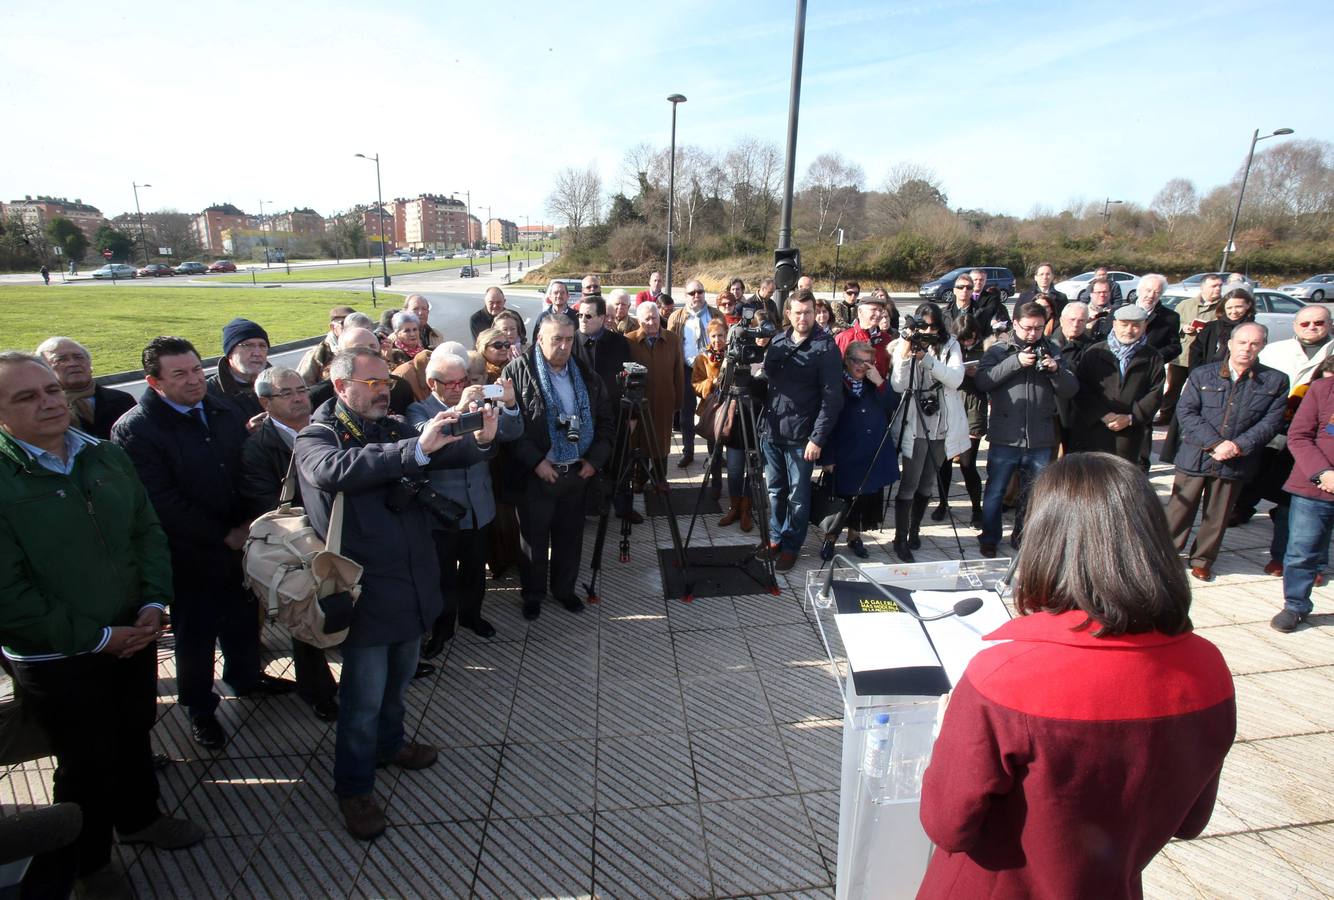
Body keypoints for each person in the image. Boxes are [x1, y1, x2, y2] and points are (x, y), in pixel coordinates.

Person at [918, 452, 1235, 900]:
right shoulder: (1208, 667)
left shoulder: (1006, 677)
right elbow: (1191, 820)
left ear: (1046, 541)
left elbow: (947, 824)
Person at [0, 351, 205, 896]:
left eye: (49, 390)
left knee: (135, 728)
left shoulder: (104, 455)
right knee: (85, 760)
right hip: (58, 654)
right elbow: (9, 593)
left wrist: (154, 603)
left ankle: (141, 819)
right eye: (26, 397)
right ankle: (88, 865)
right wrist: (96, 638)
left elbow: (147, 533)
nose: (48, 402)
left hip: (131, 632)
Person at [295, 347, 491, 839]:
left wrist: (478, 435)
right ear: (341, 388)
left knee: (400, 678)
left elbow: (447, 451)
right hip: (362, 587)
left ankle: (391, 744)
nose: (385, 390)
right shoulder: (317, 436)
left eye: (386, 381)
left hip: (411, 579)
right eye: (373, 383)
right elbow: (338, 470)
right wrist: (417, 449)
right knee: (361, 699)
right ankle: (354, 788)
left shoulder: (391, 424)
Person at [112, 336, 294, 752]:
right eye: (179, 374)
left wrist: (252, 522)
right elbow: (159, 501)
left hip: (245, 539)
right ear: (153, 381)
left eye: (196, 369)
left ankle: (246, 677)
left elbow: (250, 464)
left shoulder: (224, 407)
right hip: (191, 553)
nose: (194, 380)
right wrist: (222, 534)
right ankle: (200, 709)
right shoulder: (136, 429)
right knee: (195, 635)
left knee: (245, 615)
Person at [237, 366, 339, 722]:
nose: (299, 398)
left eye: (302, 389)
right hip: (298, 543)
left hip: (339, 531)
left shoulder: (327, 428)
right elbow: (267, 504)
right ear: (265, 402)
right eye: (287, 393)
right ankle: (318, 692)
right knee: (305, 617)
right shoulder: (257, 447)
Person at [501, 316, 614, 620]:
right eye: (556, 339)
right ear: (539, 339)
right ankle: (533, 594)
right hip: (537, 475)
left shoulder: (587, 374)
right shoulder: (516, 372)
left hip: (575, 473)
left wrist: (594, 460)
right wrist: (536, 462)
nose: (564, 346)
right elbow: (511, 429)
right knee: (533, 542)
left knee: (569, 538)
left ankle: (564, 590)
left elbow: (606, 423)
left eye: (568, 339)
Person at [409, 347, 520, 655]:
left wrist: (509, 404)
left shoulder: (480, 403)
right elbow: (429, 447)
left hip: (478, 507)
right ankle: (442, 629)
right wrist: (459, 407)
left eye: (464, 381)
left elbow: (511, 433)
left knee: (474, 571)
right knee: (443, 575)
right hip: (441, 512)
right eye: (451, 383)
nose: (459, 387)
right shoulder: (418, 410)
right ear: (433, 384)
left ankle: (472, 616)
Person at [1165, 322, 1288, 581]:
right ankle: (1166, 555)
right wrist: (1215, 443)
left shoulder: (1275, 381)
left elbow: (1271, 422)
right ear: (1230, 344)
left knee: (1218, 514)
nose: (1247, 348)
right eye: (1242, 342)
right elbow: (1186, 411)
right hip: (1197, 453)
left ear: (1262, 346)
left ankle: (1203, 559)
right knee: (1179, 509)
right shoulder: (1202, 375)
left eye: (1254, 343)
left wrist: (1237, 446)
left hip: (1236, 459)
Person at [975, 302, 1079, 556]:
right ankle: (989, 536)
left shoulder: (1052, 349)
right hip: (1006, 435)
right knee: (996, 490)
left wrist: (1056, 371)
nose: (1033, 333)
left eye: (1039, 328)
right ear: (1015, 324)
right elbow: (982, 381)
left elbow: (1071, 389)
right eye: (1028, 328)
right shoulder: (1000, 349)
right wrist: (1015, 363)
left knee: (1033, 493)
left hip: (1040, 437)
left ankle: (1022, 534)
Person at [760, 290, 844, 571]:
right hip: (772, 429)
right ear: (788, 313)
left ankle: (791, 545)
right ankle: (775, 536)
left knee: (797, 495)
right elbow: (768, 381)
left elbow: (833, 399)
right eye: (797, 312)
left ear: (815, 312)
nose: (803, 318)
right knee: (775, 490)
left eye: (808, 312)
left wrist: (817, 438)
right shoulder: (779, 340)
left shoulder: (825, 346)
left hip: (801, 436)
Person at [1247, 304, 1334, 563]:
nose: (1312, 328)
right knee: (1275, 488)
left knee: (1303, 504)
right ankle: (1280, 553)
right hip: (1282, 429)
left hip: (1320, 440)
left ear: (1329, 324)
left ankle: (1308, 559)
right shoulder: (1276, 351)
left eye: (1318, 322)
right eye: (1305, 323)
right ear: (1295, 326)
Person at [888, 303, 968, 560]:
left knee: (927, 483)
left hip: (942, 425)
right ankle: (900, 538)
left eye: (934, 326)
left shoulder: (951, 345)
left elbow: (955, 379)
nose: (929, 331)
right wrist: (905, 351)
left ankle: (914, 530)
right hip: (915, 424)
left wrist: (928, 359)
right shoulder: (906, 344)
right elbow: (899, 386)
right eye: (924, 326)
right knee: (909, 482)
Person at [822, 341, 898, 557]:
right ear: (847, 361)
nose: (862, 366)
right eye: (858, 361)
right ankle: (830, 539)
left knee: (865, 501)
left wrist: (881, 383)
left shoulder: (875, 383)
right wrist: (827, 456)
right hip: (844, 455)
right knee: (839, 502)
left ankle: (855, 537)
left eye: (868, 362)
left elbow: (893, 404)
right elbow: (825, 422)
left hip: (872, 453)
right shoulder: (835, 384)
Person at [1273, 374, 1334, 632]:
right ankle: (1295, 605)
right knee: (1302, 551)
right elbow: (1298, 436)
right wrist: (1323, 473)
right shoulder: (1322, 389)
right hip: (1315, 486)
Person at [1073, 305, 1166, 465]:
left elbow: (1155, 393)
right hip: (1094, 430)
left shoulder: (1153, 357)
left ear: (1145, 326)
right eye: (1124, 324)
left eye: (1136, 325)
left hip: (1129, 433)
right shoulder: (1095, 352)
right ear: (1115, 324)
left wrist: (1131, 418)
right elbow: (1081, 388)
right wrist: (1102, 414)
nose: (1129, 330)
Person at [931, 317, 986, 527]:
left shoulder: (984, 353)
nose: (965, 344)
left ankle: (976, 509)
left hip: (972, 408)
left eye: (969, 339)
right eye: (962, 340)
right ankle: (943, 503)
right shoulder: (947, 349)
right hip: (949, 408)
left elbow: (990, 381)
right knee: (943, 462)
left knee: (967, 464)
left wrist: (977, 374)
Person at [692, 319, 747, 520]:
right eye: (713, 336)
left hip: (734, 409)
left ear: (727, 336)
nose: (717, 340)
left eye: (721, 335)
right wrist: (711, 383)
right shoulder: (703, 358)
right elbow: (696, 384)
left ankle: (739, 495)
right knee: (714, 451)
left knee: (733, 454)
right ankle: (716, 484)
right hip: (714, 410)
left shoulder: (735, 355)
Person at [626, 301, 685, 479]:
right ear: (638, 320)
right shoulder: (629, 340)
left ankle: (660, 479)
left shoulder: (672, 339)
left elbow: (679, 372)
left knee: (661, 443)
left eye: (654, 317)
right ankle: (640, 479)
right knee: (639, 441)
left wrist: (678, 401)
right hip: (639, 403)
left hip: (664, 401)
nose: (651, 322)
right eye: (646, 319)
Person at [35, 336, 135, 439]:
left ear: (89, 364)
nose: (73, 363)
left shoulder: (122, 400)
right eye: (61, 359)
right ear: (43, 369)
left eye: (79, 357)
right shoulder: (42, 408)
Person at [667, 280, 718, 467]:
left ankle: (715, 454)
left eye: (700, 291)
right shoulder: (676, 317)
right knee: (686, 413)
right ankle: (688, 452)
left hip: (710, 369)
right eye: (692, 293)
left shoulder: (715, 314)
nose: (696, 295)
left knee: (713, 412)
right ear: (686, 296)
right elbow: (671, 344)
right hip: (686, 369)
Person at [1162, 273, 1225, 422]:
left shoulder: (1223, 307)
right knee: (1173, 388)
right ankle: (1166, 416)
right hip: (1182, 355)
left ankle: (1194, 418)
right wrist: (1184, 327)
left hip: (1205, 357)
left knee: (1200, 390)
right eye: (1214, 286)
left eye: (1220, 286)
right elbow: (1173, 325)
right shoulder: (1185, 305)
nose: (1217, 289)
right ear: (1203, 287)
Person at [207, 317, 270, 421]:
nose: (257, 353)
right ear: (230, 353)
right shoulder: (209, 394)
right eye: (248, 345)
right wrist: (246, 433)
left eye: (263, 346)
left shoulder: (282, 383)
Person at [1051, 302, 1093, 455]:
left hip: (1075, 410)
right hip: (1049, 409)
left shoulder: (1093, 348)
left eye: (1081, 320)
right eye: (1072, 319)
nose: (1076, 324)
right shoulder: (1047, 343)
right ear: (1062, 320)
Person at [1190, 283, 1256, 369]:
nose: (1234, 311)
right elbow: (1195, 354)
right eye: (1229, 308)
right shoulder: (1211, 328)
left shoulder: (1254, 330)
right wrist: (1198, 375)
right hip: (1209, 375)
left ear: (1248, 305)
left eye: (1238, 307)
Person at [835, 293, 891, 378]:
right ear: (860, 312)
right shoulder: (844, 338)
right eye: (874, 309)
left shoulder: (886, 339)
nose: (878, 314)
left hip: (877, 389)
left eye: (880, 310)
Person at [297, 306, 356, 385]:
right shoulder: (318, 353)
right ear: (332, 327)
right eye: (344, 324)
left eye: (353, 324)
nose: (350, 328)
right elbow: (302, 385)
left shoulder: (367, 346)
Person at [1084, 277, 1116, 341]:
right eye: (1098, 292)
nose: (1102, 295)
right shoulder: (1082, 313)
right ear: (1091, 294)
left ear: (1110, 293)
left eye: (1105, 292)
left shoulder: (1116, 313)